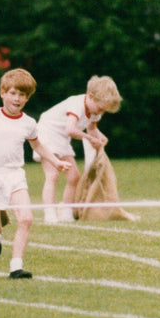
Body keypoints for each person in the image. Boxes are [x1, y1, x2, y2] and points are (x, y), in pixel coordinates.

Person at [0, 68, 71, 279]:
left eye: (23, 95)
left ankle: (16, 267)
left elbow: (39, 147)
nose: (18, 99)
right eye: (14, 93)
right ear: (3, 93)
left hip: (15, 176)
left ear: (28, 98)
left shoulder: (29, 123)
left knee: (26, 219)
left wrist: (56, 161)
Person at [33, 75, 123, 223]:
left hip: (62, 138)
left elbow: (92, 130)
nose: (100, 113)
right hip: (47, 132)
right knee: (52, 175)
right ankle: (49, 213)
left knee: (74, 176)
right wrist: (89, 139)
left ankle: (67, 211)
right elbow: (70, 129)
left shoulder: (95, 111)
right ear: (90, 97)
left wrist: (101, 138)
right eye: (100, 109)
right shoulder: (77, 104)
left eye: (104, 111)